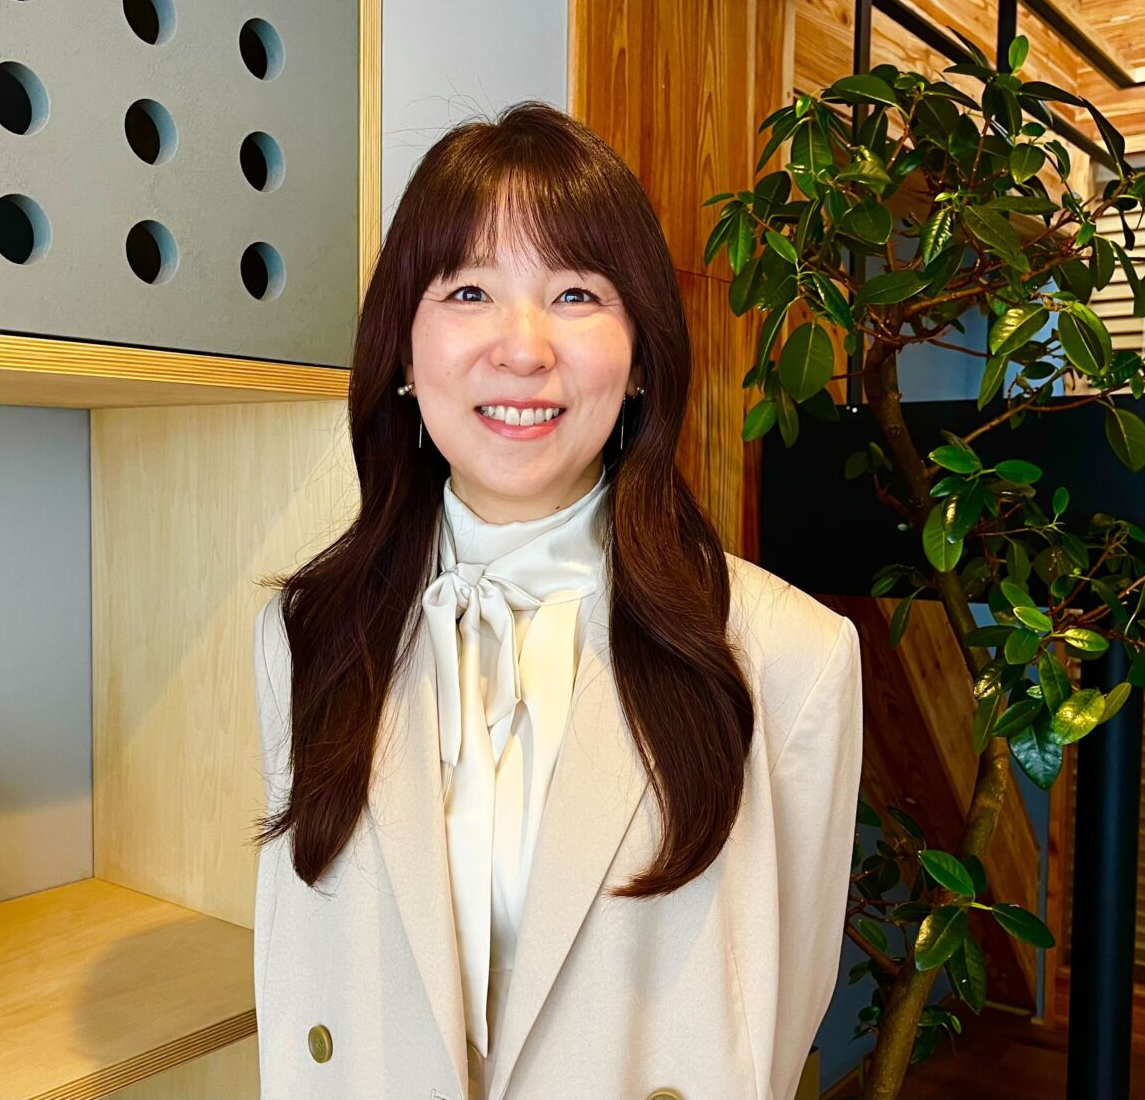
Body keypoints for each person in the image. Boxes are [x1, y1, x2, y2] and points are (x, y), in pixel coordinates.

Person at [250, 100, 863, 1100]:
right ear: (401, 349)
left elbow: (778, 1014)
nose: (522, 348)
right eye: (468, 290)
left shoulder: (792, 655)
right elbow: (306, 976)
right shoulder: (304, 632)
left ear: (640, 354)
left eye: (576, 292)